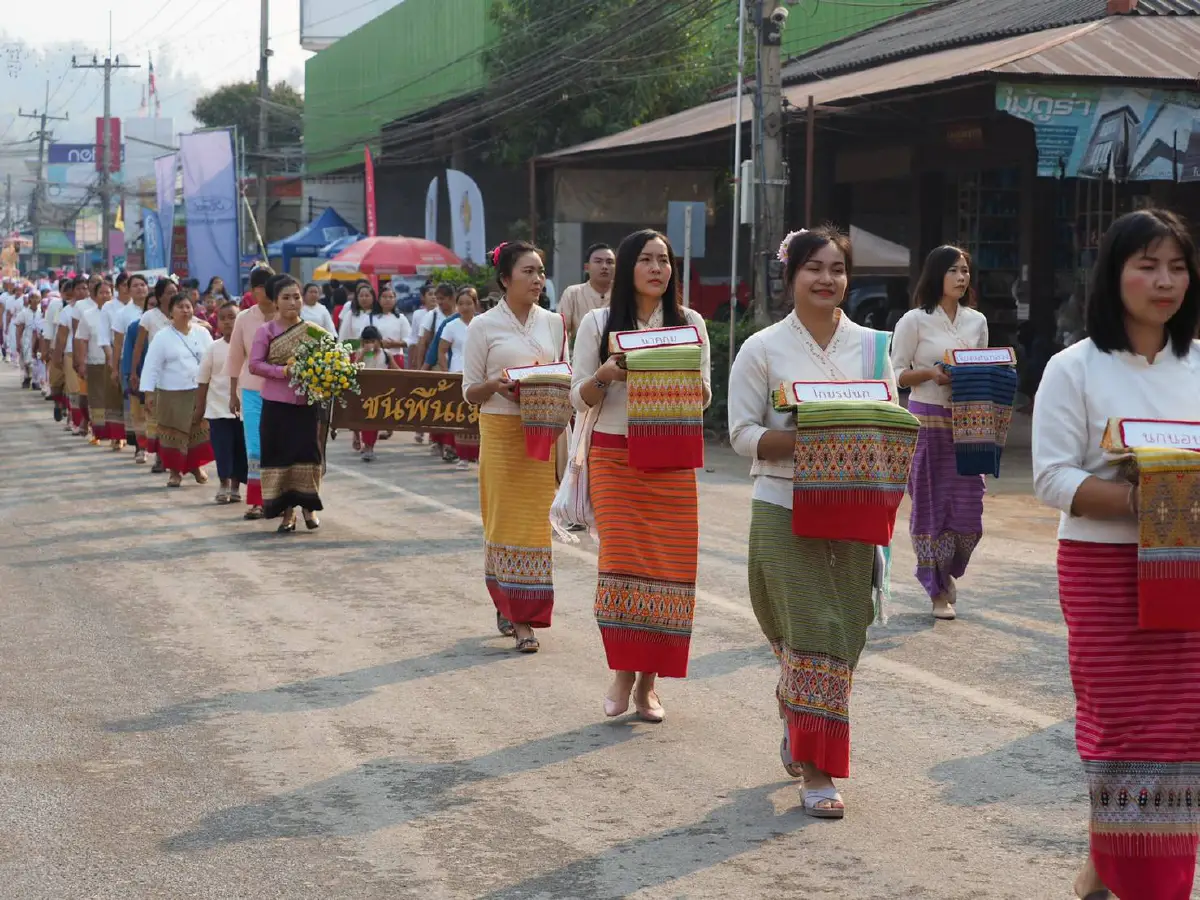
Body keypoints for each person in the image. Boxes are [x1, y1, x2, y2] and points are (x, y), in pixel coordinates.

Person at [1033, 209, 1200, 900]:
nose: (1164, 282)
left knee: (1181, 734)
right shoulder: (1074, 367)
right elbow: (1050, 477)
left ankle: (1119, 868)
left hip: (1187, 570)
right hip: (1104, 573)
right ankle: (1137, 877)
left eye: (1177, 267)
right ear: (1115, 273)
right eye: (1147, 265)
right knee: (1125, 729)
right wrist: (1150, 498)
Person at [728, 225, 898, 819]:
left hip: (854, 509)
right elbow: (741, 435)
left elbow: (889, 425)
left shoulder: (876, 347)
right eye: (814, 268)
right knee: (813, 634)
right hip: (784, 507)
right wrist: (808, 440)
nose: (828, 280)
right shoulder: (762, 349)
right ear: (790, 276)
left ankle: (795, 707)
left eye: (838, 269)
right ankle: (817, 767)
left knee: (847, 632)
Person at [571, 229, 711, 723]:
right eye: (647, 260)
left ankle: (650, 684)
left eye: (665, 260)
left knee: (670, 571)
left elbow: (706, 395)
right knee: (621, 565)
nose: (658, 268)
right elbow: (577, 396)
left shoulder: (690, 322)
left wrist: (669, 376)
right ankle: (623, 672)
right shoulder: (597, 322)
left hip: (672, 456)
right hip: (614, 455)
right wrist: (609, 373)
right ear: (629, 267)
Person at [462, 241, 568, 652]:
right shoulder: (483, 326)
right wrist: (495, 385)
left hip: (540, 434)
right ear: (505, 278)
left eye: (541, 271)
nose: (538, 279)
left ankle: (525, 613)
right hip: (501, 432)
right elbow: (470, 391)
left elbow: (563, 373)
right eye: (528, 271)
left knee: (536, 528)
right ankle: (513, 612)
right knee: (503, 525)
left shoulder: (554, 323)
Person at [890, 246, 990, 620]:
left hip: (968, 420)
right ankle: (936, 589)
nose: (962, 277)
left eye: (965, 270)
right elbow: (895, 373)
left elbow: (981, 365)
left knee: (970, 505)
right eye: (954, 271)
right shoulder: (914, 321)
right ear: (937, 275)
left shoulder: (976, 321)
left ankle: (947, 572)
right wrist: (933, 373)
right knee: (931, 505)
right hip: (926, 418)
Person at [249, 274, 325, 532]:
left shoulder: (313, 331)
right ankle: (288, 513)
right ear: (275, 302)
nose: (293, 302)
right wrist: (283, 372)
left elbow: (330, 358)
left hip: (306, 403)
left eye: (297, 297)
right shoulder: (266, 331)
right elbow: (255, 365)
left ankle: (308, 507)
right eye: (286, 298)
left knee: (307, 455)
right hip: (276, 405)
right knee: (281, 457)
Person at [140, 292, 215, 488]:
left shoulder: (203, 333)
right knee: (174, 434)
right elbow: (151, 366)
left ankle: (196, 467)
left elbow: (211, 361)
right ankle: (174, 473)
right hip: (170, 393)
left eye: (188, 306)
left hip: (197, 391)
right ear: (171, 312)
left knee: (197, 431)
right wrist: (148, 392)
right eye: (180, 307)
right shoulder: (161, 337)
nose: (185, 310)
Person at [226, 265, 276, 520]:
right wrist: (232, 394)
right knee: (255, 446)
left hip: (283, 392)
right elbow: (235, 356)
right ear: (256, 291)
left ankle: (280, 500)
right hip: (252, 392)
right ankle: (257, 501)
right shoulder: (244, 318)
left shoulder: (287, 315)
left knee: (279, 445)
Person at [196, 302, 247, 503]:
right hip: (218, 410)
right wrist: (199, 409)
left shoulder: (249, 346)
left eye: (232, 317)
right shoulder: (213, 348)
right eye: (223, 318)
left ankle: (236, 487)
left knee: (241, 450)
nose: (227, 322)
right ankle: (223, 484)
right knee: (223, 449)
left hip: (244, 410)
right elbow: (202, 380)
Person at [131, 278, 178, 472]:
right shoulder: (149, 317)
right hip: (157, 374)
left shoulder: (182, 313)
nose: (173, 295)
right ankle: (160, 457)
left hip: (180, 374)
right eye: (169, 292)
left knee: (177, 417)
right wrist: (134, 372)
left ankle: (178, 458)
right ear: (159, 297)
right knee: (158, 417)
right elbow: (139, 346)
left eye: (175, 291)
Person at [438, 286, 480, 471]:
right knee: (459, 414)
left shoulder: (482, 324)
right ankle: (461, 455)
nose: (464, 307)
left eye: (468, 303)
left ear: (475, 304)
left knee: (477, 417)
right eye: (461, 303)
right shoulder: (451, 326)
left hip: (478, 375)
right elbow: (441, 350)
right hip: (457, 373)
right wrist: (446, 372)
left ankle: (477, 455)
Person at [353, 324, 401, 462]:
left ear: (379, 341)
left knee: (374, 421)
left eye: (373, 341)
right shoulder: (361, 353)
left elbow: (397, 371)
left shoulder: (386, 355)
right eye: (367, 342)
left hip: (381, 393)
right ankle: (367, 447)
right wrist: (363, 353)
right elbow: (354, 368)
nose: (370, 344)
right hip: (365, 393)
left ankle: (370, 445)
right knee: (367, 421)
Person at [558, 242, 615, 345]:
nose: (604, 266)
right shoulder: (572, 294)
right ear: (587, 267)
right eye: (598, 261)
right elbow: (560, 333)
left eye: (610, 262)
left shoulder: (625, 294)